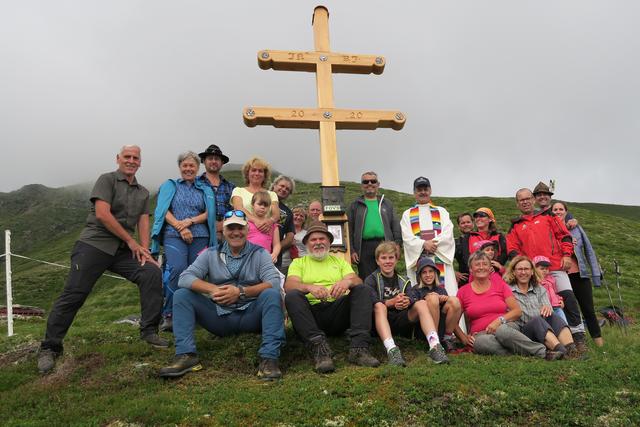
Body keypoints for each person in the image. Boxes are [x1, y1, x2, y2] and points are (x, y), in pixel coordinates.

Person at [38, 146, 165, 374]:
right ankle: (50, 347)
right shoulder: (106, 180)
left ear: (140, 162)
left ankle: (149, 332)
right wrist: (131, 242)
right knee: (74, 294)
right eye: (127, 157)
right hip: (94, 244)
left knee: (151, 272)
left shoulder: (143, 192)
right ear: (118, 159)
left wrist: (145, 250)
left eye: (135, 158)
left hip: (122, 250)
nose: (131, 161)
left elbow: (143, 221)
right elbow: (102, 214)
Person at [158, 210, 286, 380]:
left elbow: (274, 282)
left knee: (271, 294)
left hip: (251, 315)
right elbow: (184, 278)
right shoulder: (210, 253)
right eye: (230, 228)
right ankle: (186, 355)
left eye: (240, 228)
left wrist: (241, 292)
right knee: (182, 294)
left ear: (247, 230)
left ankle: (269, 359)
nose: (235, 233)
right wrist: (212, 289)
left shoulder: (260, 253)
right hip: (219, 317)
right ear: (223, 231)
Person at [284, 221, 380, 373]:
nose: (318, 243)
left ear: (329, 242)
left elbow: (357, 280)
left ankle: (359, 348)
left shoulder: (340, 262)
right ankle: (319, 349)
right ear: (307, 243)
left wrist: (347, 282)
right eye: (313, 240)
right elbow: (289, 285)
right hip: (311, 315)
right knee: (292, 296)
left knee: (362, 289)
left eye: (322, 239)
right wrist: (309, 287)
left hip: (337, 312)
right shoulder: (298, 263)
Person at [506, 188, 587, 348]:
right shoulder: (515, 226)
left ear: (534, 200)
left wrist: (566, 254)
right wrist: (523, 267)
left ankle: (578, 336)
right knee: (540, 306)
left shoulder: (548, 216)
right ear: (517, 204)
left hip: (555, 265)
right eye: (522, 200)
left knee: (568, 297)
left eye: (528, 198)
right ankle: (550, 339)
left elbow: (564, 235)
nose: (526, 201)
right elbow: (512, 250)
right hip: (531, 272)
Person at [151, 151, 216, 331]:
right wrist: (181, 227)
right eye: (185, 165)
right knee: (178, 269)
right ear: (180, 167)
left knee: (195, 275)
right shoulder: (170, 185)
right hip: (173, 233)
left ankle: (192, 314)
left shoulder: (205, 189)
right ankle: (170, 314)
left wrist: (191, 221)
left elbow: (209, 213)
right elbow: (163, 209)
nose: (188, 169)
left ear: (197, 168)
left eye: (192, 166)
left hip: (201, 235)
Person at [366, 243, 450, 366]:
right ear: (377, 261)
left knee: (421, 303)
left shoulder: (404, 279)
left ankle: (435, 346)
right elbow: (370, 301)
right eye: (384, 258)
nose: (388, 261)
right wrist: (390, 302)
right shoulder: (371, 279)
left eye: (391, 258)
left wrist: (406, 301)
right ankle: (392, 350)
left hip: (401, 320)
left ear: (396, 259)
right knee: (379, 306)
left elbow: (411, 297)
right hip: (379, 321)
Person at [456, 252, 550, 359]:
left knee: (502, 332)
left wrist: (498, 321)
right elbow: (454, 321)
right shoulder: (463, 292)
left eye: (485, 264)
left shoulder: (500, 285)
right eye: (477, 264)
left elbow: (517, 311)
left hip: (505, 326)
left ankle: (541, 351)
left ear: (490, 268)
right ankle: (523, 352)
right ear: (471, 269)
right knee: (481, 342)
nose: (481, 267)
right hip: (482, 334)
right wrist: (463, 338)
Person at [504, 256, 579, 359]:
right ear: (514, 272)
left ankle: (572, 350)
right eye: (520, 269)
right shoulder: (507, 290)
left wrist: (548, 308)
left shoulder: (539, 289)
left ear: (532, 272)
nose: (523, 272)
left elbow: (547, 308)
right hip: (523, 333)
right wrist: (540, 313)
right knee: (537, 320)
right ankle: (562, 352)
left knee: (553, 316)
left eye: (526, 269)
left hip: (543, 330)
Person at [552, 201, 604, 347]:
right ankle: (572, 343)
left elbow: (589, 251)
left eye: (561, 209)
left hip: (579, 274)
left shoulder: (577, 229)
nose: (558, 211)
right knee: (566, 310)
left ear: (566, 211)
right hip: (561, 275)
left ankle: (600, 345)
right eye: (555, 209)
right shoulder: (549, 229)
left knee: (588, 309)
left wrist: (596, 275)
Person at [400, 177, 457, 297]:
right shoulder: (407, 214)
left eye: (425, 189)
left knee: (447, 296)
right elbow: (407, 237)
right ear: (414, 193)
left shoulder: (441, 212)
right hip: (418, 259)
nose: (423, 192)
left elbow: (448, 233)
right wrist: (423, 244)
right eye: (419, 189)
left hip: (439, 257)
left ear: (430, 190)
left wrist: (432, 244)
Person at [348, 171, 402, 280]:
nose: (369, 183)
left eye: (373, 181)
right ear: (361, 185)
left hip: (385, 244)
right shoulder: (355, 205)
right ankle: (369, 297)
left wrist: (397, 245)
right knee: (366, 278)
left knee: (387, 276)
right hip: (364, 248)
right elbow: (349, 229)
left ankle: (388, 297)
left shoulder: (387, 203)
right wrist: (352, 250)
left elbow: (395, 225)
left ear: (378, 184)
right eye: (365, 181)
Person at [409, 257, 462, 354]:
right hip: (423, 329)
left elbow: (451, 310)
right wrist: (430, 298)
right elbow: (415, 309)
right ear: (419, 275)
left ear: (435, 273)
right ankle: (434, 342)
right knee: (433, 298)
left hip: (441, 325)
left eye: (431, 271)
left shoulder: (441, 289)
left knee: (454, 301)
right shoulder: (415, 290)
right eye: (424, 272)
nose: (428, 275)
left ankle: (447, 339)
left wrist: (445, 299)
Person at [455, 208, 507, 286]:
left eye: (482, 216)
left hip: (495, 278)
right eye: (476, 217)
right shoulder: (468, 236)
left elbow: (504, 254)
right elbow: (466, 257)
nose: (478, 218)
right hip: (474, 279)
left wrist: (494, 267)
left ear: (490, 219)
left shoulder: (499, 236)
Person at [231, 157, 279, 234]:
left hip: (264, 235)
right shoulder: (238, 190)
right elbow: (238, 208)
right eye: (253, 170)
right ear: (247, 173)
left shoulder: (272, 194)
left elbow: (276, 214)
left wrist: (270, 221)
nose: (257, 173)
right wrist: (256, 221)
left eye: (260, 171)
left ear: (264, 175)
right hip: (242, 234)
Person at [197, 144, 235, 241]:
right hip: (200, 233)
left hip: (226, 234)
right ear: (204, 161)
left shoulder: (231, 187)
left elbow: (236, 210)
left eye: (217, 159)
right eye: (210, 158)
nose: (213, 161)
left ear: (222, 163)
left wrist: (223, 223)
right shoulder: (195, 184)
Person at [247, 190, 281, 264]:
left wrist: (274, 254)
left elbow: (277, 244)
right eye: (259, 204)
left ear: (269, 207)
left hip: (265, 260)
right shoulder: (246, 223)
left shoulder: (273, 225)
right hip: (247, 259)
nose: (262, 207)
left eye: (266, 205)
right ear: (253, 205)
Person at [270, 175, 296, 273]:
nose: (284, 189)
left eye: (287, 189)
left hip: (274, 258)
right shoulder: (261, 198)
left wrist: (276, 249)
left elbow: (290, 237)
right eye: (282, 186)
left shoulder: (288, 212)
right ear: (274, 185)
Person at [533, 255, 568, 324]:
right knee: (548, 325)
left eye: (546, 269)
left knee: (564, 323)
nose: (545, 270)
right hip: (543, 308)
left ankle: (567, 333)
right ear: (534, 269)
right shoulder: (534, 282)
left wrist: (560, 299)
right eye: (542, 269)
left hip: (556, 307)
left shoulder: (551, 279)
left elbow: (555, 292)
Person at [454, 212, 474, 284]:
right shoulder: (455, 243)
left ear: (473, 223)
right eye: (463, 223)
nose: (466, 224)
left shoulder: (480, 238)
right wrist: (454, 273)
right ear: (459, 226)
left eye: (468, 222)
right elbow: (444, 258)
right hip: (465, 280)